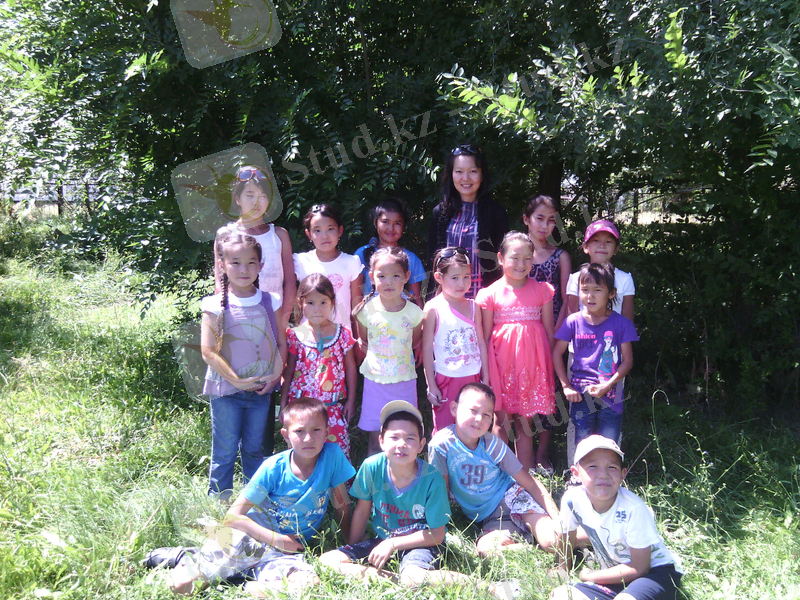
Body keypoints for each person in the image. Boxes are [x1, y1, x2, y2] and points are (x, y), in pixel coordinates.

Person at [320, 401, 519, 599]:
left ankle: (494, 588)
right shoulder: (371, 467)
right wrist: (353, 548)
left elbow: (437, 535)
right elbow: (363, 511)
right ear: (381, 441)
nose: (401, 444)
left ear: (421, 445)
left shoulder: (432, 478)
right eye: (394, 437)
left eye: (410, 438)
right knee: (327, 561)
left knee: (413, 577)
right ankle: (398, 580)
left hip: (421, 543)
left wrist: (393, 544)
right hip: (384, 540)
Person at [168, 398, 355, 597]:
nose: (308, 438)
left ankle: (238, 582)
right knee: (182, 586)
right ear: (286, 435)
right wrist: (278, 539)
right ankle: (179, 556)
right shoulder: (273, 468)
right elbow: (232, 517)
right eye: (300, 431)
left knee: (309, 584)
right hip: (247, 539)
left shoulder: (332, 456)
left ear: (327, 432)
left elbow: (341, 504)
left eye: (316, 430)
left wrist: (351, 546)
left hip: (282, 555)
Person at [427, 383, 560, 558]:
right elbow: (441, 488)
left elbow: (530, 483)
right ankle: (532, 547)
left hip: (515, 499)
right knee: (485, 550)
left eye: (486, 415)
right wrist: (440, 525)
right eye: (473, 410)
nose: (479, 419)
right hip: (492, 519)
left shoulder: (493, 446)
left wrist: (557, 517)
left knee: (553, 542)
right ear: (454, 408)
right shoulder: (441, 445)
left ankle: (584, 533)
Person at [201, 230, 287, 498]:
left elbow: (281, 344)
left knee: (254, 449)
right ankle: (219, 503)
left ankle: (254, 503)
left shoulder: (270, 301)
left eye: (251, 262)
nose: (243, 269)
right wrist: (237, 381)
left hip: (261, 393)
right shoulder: (214, 304)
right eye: (235, 262)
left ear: (261, 265)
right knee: (225, 451)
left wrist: (274, 378)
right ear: (222, 265)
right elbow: (208, 351)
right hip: (226, 393)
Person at [551, 435, 683, 600]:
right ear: (576, 473)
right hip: (617, 574)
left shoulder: (633, 508)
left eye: (612, 467)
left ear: (622, 474)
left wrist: (591, 576)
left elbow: (639, 568)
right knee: (562, 595)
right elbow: (566, 536)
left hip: (655, 572)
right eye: (593, 466)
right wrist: (563, 569)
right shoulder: (572, 500)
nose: (603, 474)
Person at [476, 232, 556, 473]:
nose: (522, 264)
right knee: (500, 422)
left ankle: (525, 475)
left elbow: (549, 332)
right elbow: (485, 337)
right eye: (515, 257)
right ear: (500, 258)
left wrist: (549, 368)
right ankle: (499, 474)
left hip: (532, 369)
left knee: (525, 423)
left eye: (527, 258)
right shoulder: (489, 294)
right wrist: (486, 373)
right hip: (501, 367)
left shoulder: (542, 291)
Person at [553, 263, 638, 448]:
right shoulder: (572, 321)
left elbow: (628, 360)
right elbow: (557, 353)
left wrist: (607, 385)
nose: (590, 296)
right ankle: (580, 470)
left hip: (612, 396)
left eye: (597, 290)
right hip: (581, 396)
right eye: (585, 290)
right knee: (583, 448)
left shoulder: (622, 324)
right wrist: (566, 386)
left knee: (609, 447)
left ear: (612, 293)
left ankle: (609, 469)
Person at [352, 247, 423, 456]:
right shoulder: (366, 310)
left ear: (406, 276)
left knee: (405, 434)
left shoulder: (414, 313)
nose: (388, 282)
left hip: (404, 382)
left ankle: (402, 472)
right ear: (371, 277)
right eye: (382, 276)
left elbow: (414, 341)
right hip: (375, 383)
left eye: (395, 276)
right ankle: (374, 474)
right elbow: (364, 339)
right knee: (376, 440)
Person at [280, 274, 357, 458]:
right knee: (303, 454)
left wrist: (351, 400)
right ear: (301, 303)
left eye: (323, 302)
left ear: (332, 302)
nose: (317, 309)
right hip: (301, 411)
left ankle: (336, 479)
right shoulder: (295, 336)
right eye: (311, 303)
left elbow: (351, 369)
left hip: (332, 408)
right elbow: (288, 371)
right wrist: (283, 402)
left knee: (336, 454)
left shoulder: (342, 334)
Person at [213, 166, 295, 327]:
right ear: (237, 198)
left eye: (262, 196)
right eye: (250, 195)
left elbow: (290, 283)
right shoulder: (225, 234)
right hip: (238, 322)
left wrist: (282, 323)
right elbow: (219, 282)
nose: (256, 202)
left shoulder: (279, 235)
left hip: (275, 322)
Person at [422, 247, 489, 434]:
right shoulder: (433, 308)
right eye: (455, 277)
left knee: (472, 428)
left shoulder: (474, 307)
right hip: (446, 379)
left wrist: (485, 377)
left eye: (466, 277)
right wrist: (431, 385)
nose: (462, 283)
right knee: (445, 430)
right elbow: (426, 349)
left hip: (473, 377)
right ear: (438, 277)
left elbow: (481, 343)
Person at [428, 144, 509, 298]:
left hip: (485, 300)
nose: (466, 178)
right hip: (448, 301)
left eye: (473, 171)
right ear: (451, 174)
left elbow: (503, 260)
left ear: (482, 174)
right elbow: (432, 260)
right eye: (459, 171)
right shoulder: (440, 213)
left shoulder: (495, 213)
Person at [294, 204, 363, 333]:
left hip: (342, 337)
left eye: (330, 229)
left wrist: (358, 338)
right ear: (309, 234)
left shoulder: (351, 262)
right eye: (317, 230)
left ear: (340, 231)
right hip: (309, 337)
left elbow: (357, 306)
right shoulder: (299, 261)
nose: (324, 236)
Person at [355, 197, 427, 308]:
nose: (391, 228)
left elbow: (417, 299)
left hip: (402, 317)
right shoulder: (361, 254)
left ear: (404, 226)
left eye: (397, 223)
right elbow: (355, 296)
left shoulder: (411, 259)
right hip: (370, 316)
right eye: (385, 222)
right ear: (375, 223)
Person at [566, 219, 634, 321]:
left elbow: (628, 321)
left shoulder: (625, 279)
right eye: (596, 240)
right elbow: (571, 319)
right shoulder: (576, 278)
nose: (602, 246)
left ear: (616, 249)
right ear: (586, 247)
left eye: (608, 241)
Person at [523, 194, 571, 332]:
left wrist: (557, 333)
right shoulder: (514, 256)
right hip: (522, 328)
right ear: (526, 219)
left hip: (553, 329)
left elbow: (567, 300)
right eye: (540, 218)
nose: (545, 226)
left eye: (551, 220)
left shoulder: (560, 257)